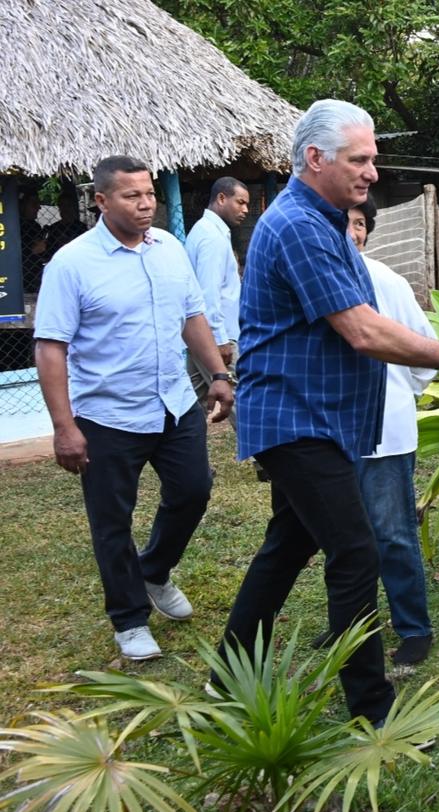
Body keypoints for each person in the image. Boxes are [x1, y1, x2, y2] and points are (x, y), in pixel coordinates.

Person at [216, 99, 439, 723]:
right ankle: (372, 711)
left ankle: (226, 675)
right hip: (297, 418)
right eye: (359, 159)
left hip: (322, 416)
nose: (372, 171)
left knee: (288, 545)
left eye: (373, 158)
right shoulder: (299, 227)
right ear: (315, 159)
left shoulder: (326, 220)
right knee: (356, 552)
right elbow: (363, 331)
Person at [34, 155, 234, 661]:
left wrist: (217, 374)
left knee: (193, 490)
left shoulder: (170, 248)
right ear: (101, 201)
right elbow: (50, 346)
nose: (146, 205)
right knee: (111, 521)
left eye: (148, 194)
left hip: (172, 401)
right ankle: (128, 618)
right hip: (106, 414)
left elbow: (192, 316)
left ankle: (153, 571)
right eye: (132, 196)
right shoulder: (72, 264)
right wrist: (64, 426)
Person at [311, 196, 436, 664]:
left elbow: (423, 346)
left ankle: (413, 628)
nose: (352, 232)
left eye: (360, 223)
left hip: (386, 430)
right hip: (330, 433)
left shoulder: (389, 281)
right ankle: (348, 625)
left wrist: (403, 395)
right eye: (343, 223)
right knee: (339, 535)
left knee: (394, 533)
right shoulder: (314, 280)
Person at [185, 177, 250, 411]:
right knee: (239, 405)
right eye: (240, 202)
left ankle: (163, 443)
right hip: (217, 337)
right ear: (222, 198)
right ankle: (257, 450)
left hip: (205, 334)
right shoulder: (211, 238)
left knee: (188, 403)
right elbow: (208, 293)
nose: (245, 210)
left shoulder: (211, 232)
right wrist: (220, 340)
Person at [18, 187, 47, 294]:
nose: (38, 207)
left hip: (34, 278)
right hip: (18, 276)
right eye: (34, 204)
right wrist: (31, 251)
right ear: (22, 205)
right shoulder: (11, 225)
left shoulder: (35, 226)